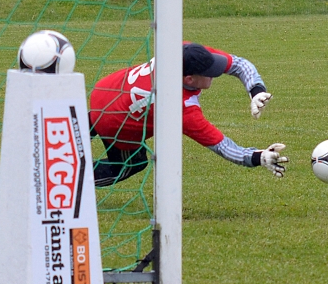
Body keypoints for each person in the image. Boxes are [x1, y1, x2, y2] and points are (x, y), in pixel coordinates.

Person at [88, 43, 288, 187]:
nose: (215, 74)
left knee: (84, 128)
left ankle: (75, 131)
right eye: (209, 72)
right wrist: (258, 157)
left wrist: (257, 91)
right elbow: (224, 147)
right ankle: (73, 181)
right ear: (189, 79)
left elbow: (238, 64)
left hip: (105, 90)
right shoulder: (180, 106)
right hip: (112, 122)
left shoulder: (185, 52)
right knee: (132, 164)